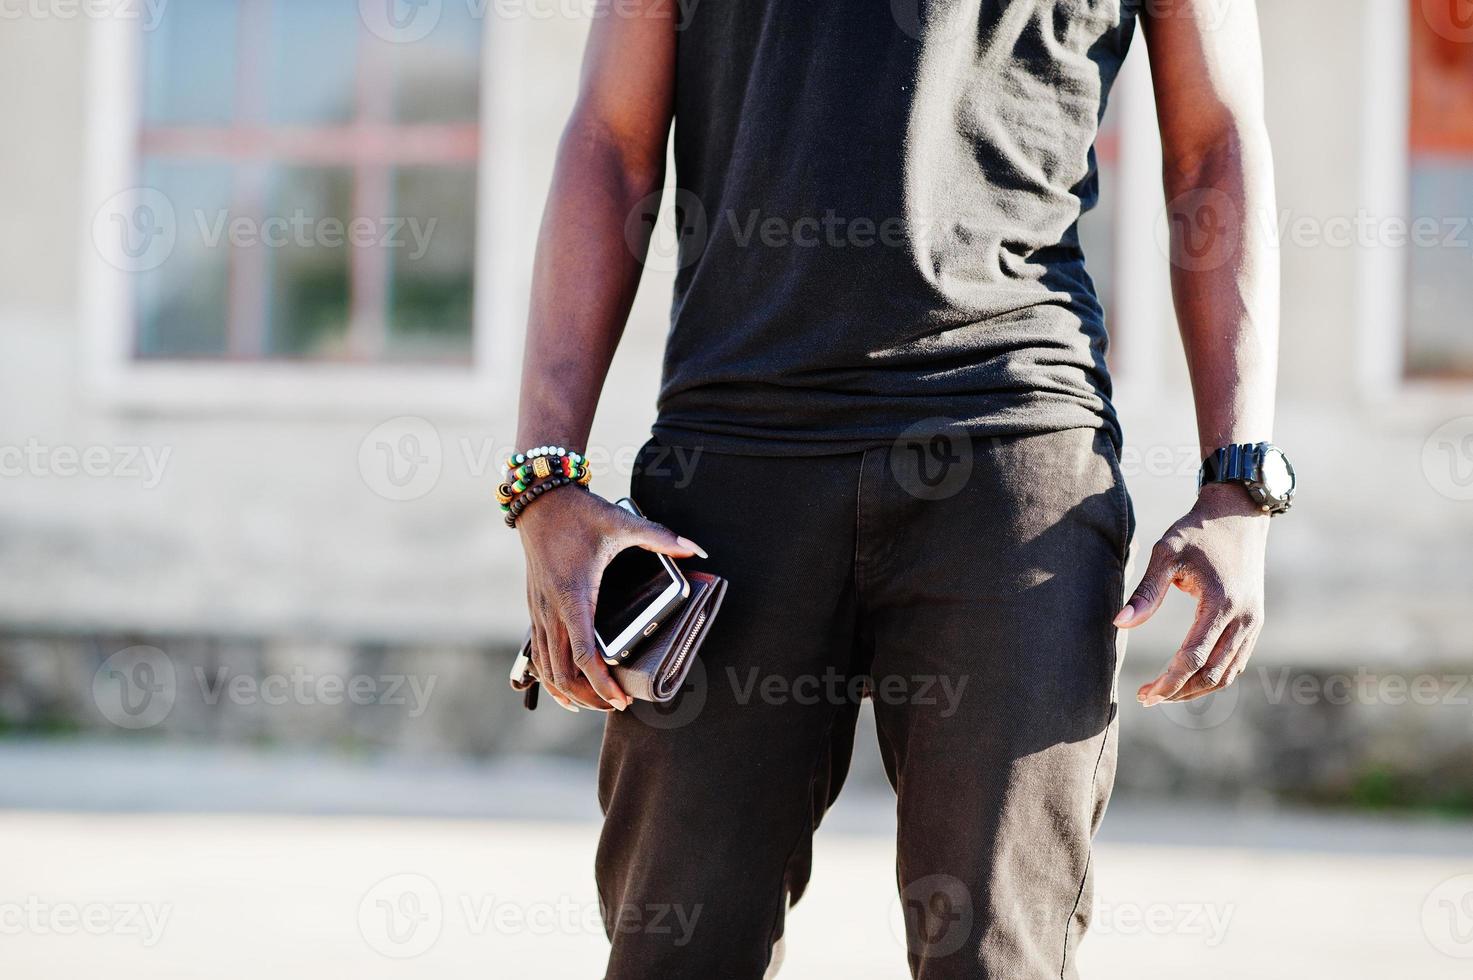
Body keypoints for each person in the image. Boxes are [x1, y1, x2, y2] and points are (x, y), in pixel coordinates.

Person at [511, 0, 1292, 976]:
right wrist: (544, 474)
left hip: (1012, 457)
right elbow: (610, 139)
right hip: (733, 472)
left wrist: (1241, 476)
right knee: (677, 949)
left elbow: (1215, 141)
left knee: (996, 954)